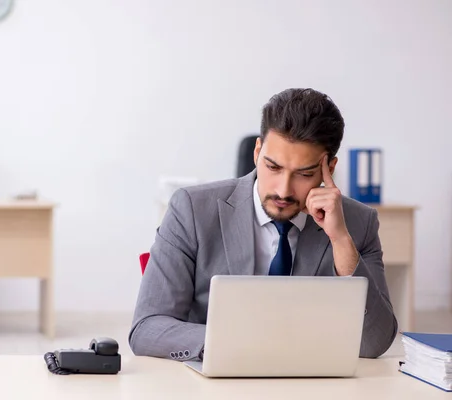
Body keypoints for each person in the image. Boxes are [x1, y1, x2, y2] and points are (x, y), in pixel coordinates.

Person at [128, 88, 398, 362]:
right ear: (257, 152)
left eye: (304, 174)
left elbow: (374, 343)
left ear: (330, 167)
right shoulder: (192, 210)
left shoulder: (358, 223)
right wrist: (235, 344)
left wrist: (340, 241)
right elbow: (147, 329)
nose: (283, 190)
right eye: (273, 167)